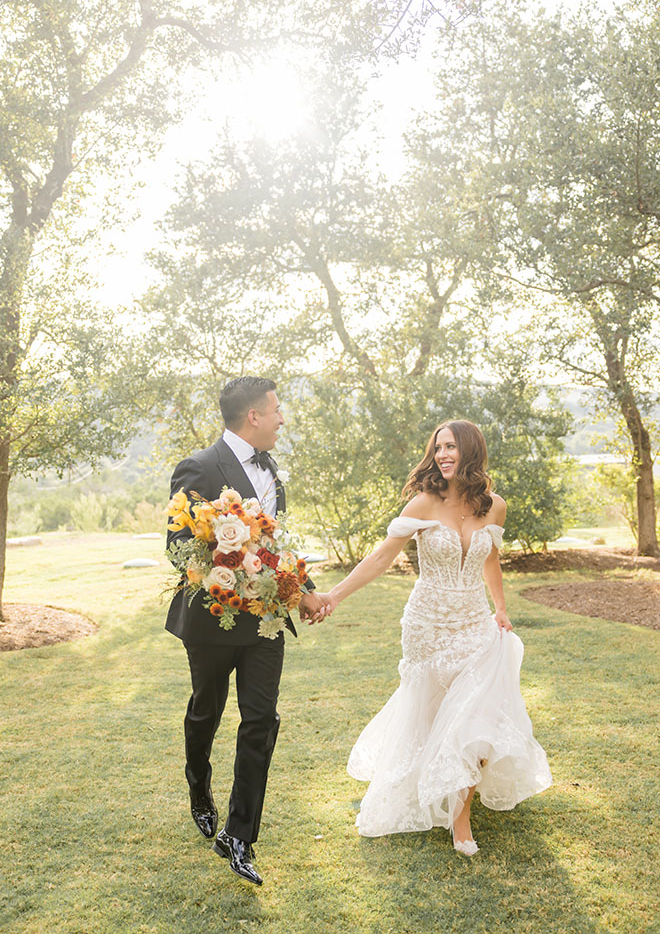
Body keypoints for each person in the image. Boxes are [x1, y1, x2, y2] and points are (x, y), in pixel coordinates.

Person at [313, 419, 552, 855]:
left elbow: (491, 560)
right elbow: (382, 557)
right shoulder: (423, 504)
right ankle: (426, 782)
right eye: (438, 447)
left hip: (475, 621)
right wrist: (334, 595)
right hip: (427, 624)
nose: (443, 455)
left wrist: (500, 608)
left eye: (452, 447)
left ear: (471, 452)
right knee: (431, 714)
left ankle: (460, 819)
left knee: (475, 714)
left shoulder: (494, 506)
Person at [165, 376, 325, 886]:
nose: (282, 419)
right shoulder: (199, 467)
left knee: (261, 720)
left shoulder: (272, 471)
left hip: (265, 621)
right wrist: (225, 560)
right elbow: (175, 548)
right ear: (253, 416)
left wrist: (305, 590)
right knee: (206, 712)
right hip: (213, 618)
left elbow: (277, 545)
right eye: (276, 410)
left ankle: (239, 835)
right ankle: (198, 787)